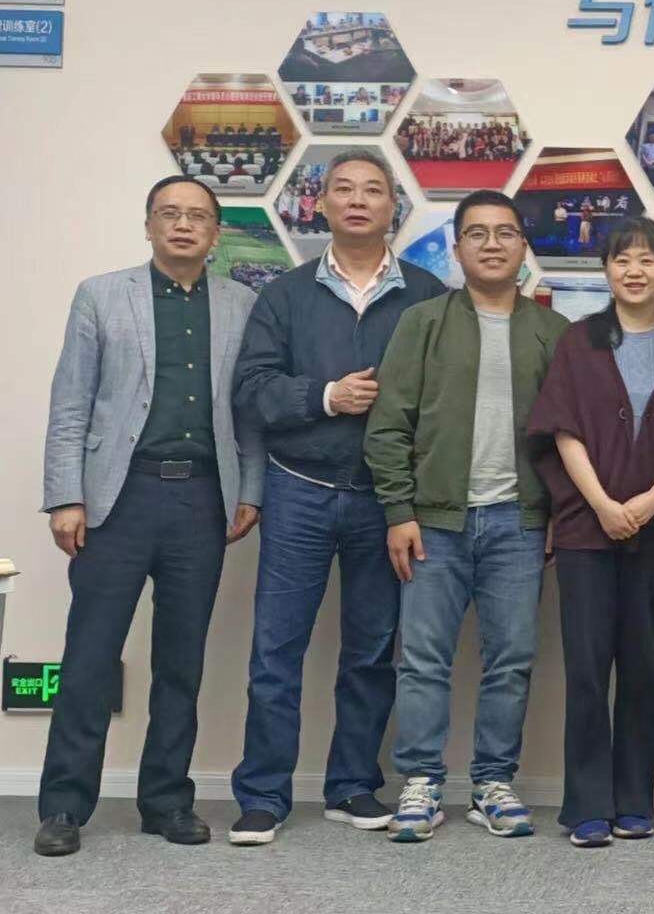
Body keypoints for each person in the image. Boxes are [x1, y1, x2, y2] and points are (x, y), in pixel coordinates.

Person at [33, 178, 263, 858]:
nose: (183, 225)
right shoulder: (101, 295)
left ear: (215, 232)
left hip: (201, 500)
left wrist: (250, 489)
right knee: (90, 656)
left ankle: (166, 801)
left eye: (197, 216)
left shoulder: (243, 305)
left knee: (181, 661)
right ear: (149, 224)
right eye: (170, 213)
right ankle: (64, 806)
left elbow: (247, 411)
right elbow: (70, 403)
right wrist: (66, 496)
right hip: (118, 499)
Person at [228, 148, 447, 846]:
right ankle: (263, 793)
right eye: (343, 190)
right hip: (299, 491)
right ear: (320, 205)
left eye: (372, 190)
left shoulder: (426, 294)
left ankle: (353, 784)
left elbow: (444, 398)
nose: (357, 200)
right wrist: (326, 397)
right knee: (276, 649)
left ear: (393, 207)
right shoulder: (285, 294)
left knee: (372, 650)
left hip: (386, 501)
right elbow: (252, 391)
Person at [364, 189, 568, 843]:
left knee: (511, 659)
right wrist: (399, 510)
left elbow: (569, 437)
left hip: (519, 523)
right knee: (423, 660)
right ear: (456, 249)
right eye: (476, 233)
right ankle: (421, 781)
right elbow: (388, 425)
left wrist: (557, 511)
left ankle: (492, 784)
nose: (491, 244)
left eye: (504, 232)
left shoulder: (553, 333)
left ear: (523, 245)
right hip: (434, 523)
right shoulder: (423, 322)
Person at [528, 217, 654, 848]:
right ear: (605, 270)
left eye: (647, 259)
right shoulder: (578, 340)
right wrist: (601, 503)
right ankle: (587, 805)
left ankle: (634, 800)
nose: (634, 270)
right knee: (587, 667)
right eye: (622, 259)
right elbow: (562, 430)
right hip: (585, 529)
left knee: (642, 665)